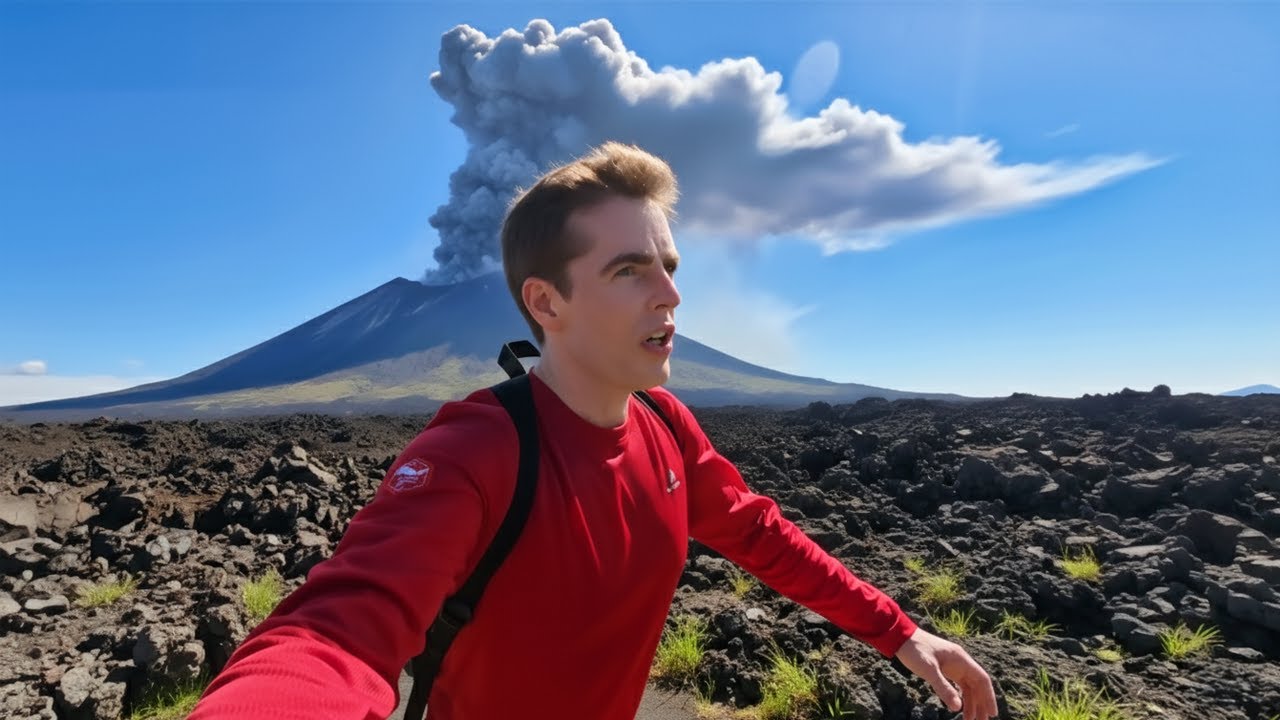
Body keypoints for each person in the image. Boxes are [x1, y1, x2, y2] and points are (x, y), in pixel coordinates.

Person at [189, 142, 998, 720]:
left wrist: (900, 632)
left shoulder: (665, 424)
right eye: (629, 270)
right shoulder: (477, 450)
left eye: (670, 266)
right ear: (546, 303)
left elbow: (758, 534)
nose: (671, 295)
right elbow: (337, 630)